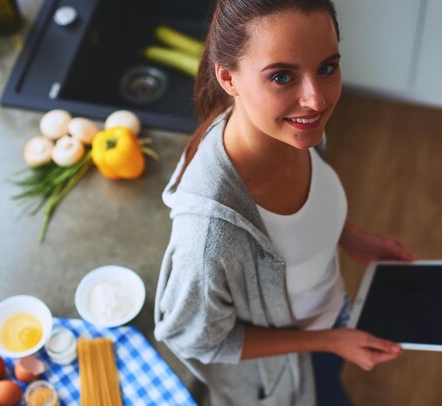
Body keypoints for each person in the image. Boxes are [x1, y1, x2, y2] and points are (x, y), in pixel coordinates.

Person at [154, 1, 417, 405]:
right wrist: (328, 341)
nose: (316, 100)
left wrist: (353, 239)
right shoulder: (209, 234)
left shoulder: (293, 130)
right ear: (228, 78)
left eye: (327, 67)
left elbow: (309, 207)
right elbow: (195, 339)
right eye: (281, 76)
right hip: (295, 368)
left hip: (332, 325)